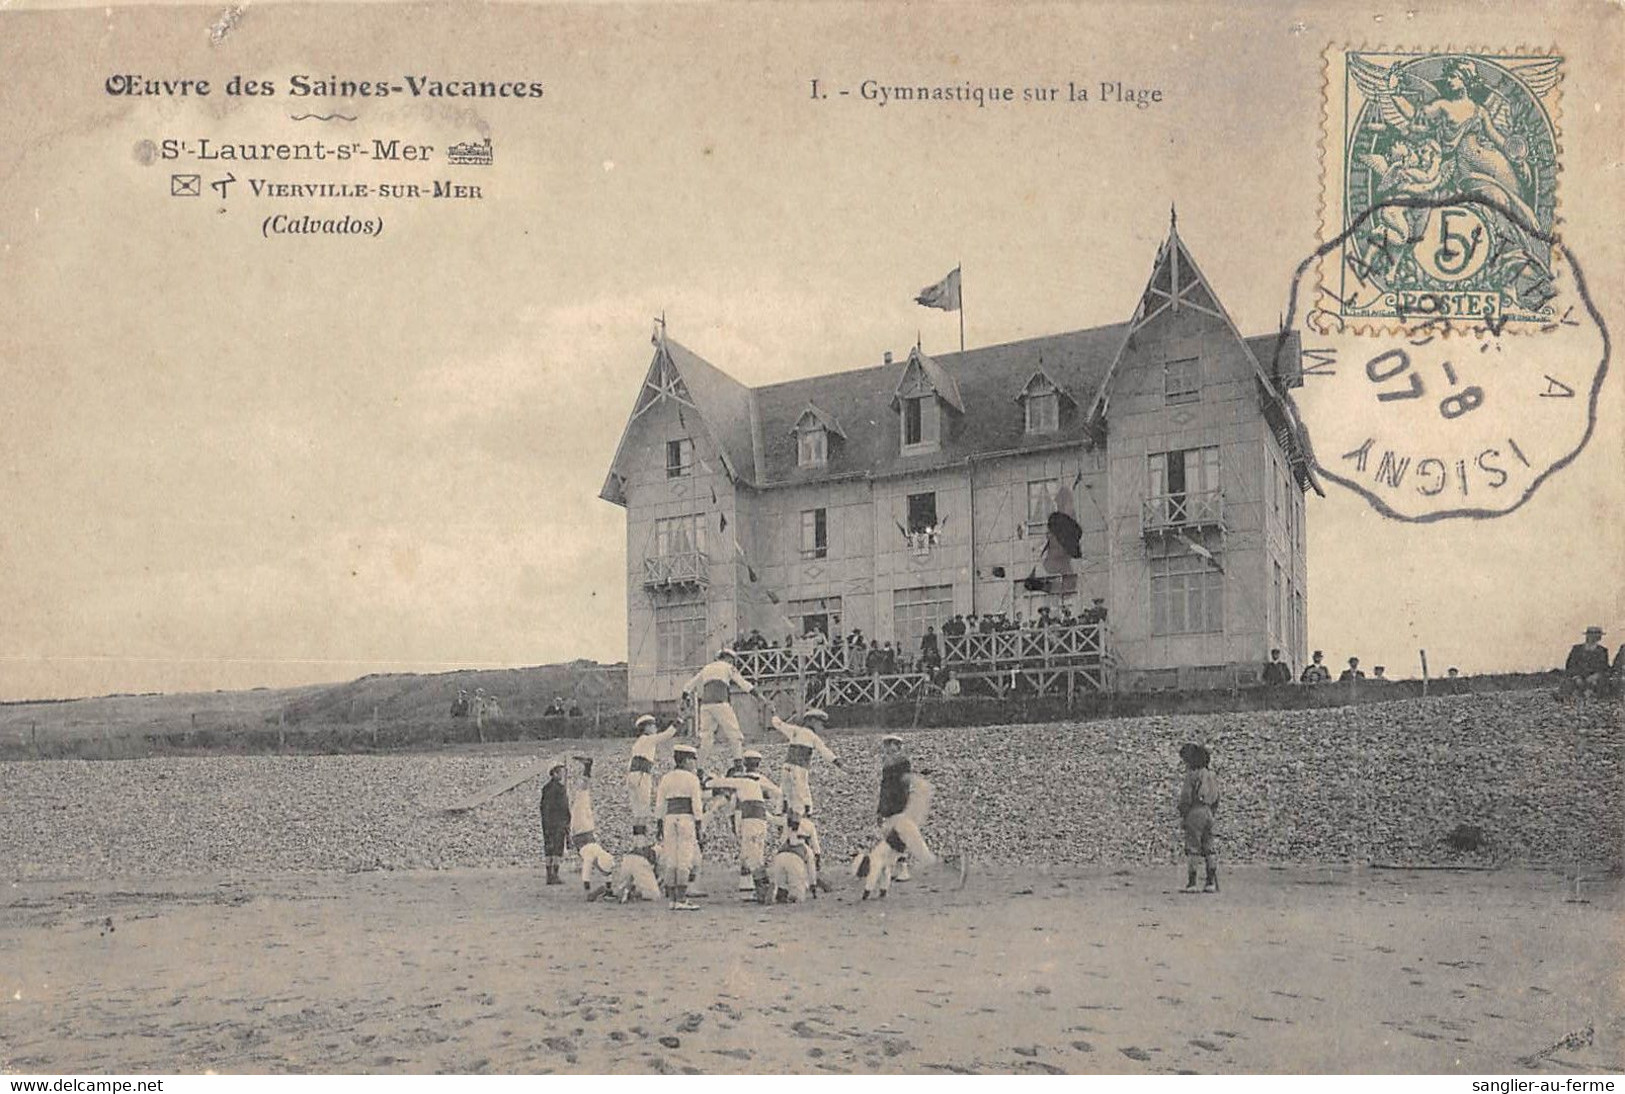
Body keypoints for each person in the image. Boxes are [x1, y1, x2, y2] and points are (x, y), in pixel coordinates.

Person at [857, 734, 966, 900]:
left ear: (897, 746)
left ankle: (952, 864)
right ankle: (897, 875)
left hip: (899, 813)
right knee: (894, 848)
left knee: (914, 853)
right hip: (893, 813)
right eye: (886, 744)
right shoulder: (889, 765)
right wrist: (880, 811)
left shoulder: (901, 763)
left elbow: (899, 788)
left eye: (890, 744)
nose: (886, 747)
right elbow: (885, 791)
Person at [682, 648, 755, 770]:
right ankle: (738, 764)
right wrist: (759, 696)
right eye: (732, 660)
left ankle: (699, 769)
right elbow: (744, 684)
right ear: (728, 658)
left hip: (705, 706)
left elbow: (688, 686)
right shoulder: (727, 667)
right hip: (720, 703)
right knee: (734, 734)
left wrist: (684, 699)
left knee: (706, 738)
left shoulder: (707, 668)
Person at [655, 743, 706, 910]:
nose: (694, 764)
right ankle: (681, 898)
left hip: (669, 818)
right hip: (686, 818)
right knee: (684, 857)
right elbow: (696, 804)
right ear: (684, 761)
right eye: (692, 760)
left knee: (672, 857)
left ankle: (672, 897)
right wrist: (699, 825)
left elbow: (660, 803)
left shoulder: (666, 777)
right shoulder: (692, 778)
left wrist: (659, 823)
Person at [769, 709, 844, 818]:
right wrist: (839, 764)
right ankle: (804, 815)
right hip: (800, 768)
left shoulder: (794, 730)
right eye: (820, 723)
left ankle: (781, 814)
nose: (821, 727)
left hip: (787, 766)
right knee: (802, 792)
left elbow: (778, 723)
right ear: (812, 721)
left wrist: (774, 712)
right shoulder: (812, 736)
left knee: (785, 792)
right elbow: (825, 751)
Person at [1178, 743, 1221, 893]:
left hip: (1195, 811)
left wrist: (1183, 814)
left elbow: (1186, 797)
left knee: (1193, 848)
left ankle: (1192, 883)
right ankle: (1210, 882)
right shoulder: (1211, 775)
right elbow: (1217, 798)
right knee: (1209, 848)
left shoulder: (1192, 775)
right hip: (1209, 811)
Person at [569, 756, 615, 899]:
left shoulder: (603, 856)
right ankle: (587, 768)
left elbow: (608, 874)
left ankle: (587, 769)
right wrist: (588, 892)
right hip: (581, 830)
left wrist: (608, 890)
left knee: (583, 797)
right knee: (581, 796)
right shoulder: (594, 856)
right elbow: (586, 873)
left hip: (588, 829)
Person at [626, 714, 677, 841]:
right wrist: (678, 721)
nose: (655, 728)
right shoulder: (647, 739)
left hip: (633, 775)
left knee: (637, 812)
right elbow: (667, 735)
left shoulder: (639, 742)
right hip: (642, 775)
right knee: (643, 810)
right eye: (653, 726)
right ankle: (641, 841)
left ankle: (637, 841)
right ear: (646, 727)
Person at [538, 762, 571, 885]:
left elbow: (542, 806)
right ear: (555, 773)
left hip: (547, 823)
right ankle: (555, 875)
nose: (562, 775)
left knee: (548, 848)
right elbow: (564, 807)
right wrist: (567, 821)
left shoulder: (545, 788)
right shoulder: (560, 789)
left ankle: (548, 875)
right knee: (558, 849)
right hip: (558, 822)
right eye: (560, 772)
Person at [1562, 626, 1613, 698]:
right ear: (1587, 636)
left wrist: (1596, 675)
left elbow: (1604, 667)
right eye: (1592, 634)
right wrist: (1576, 677)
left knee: (1603, 685)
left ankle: (1591, 694)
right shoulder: (1577, 649)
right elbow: (1570, 665)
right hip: (1578, 676)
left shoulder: (1602, 651)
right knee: (1567, 686)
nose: (1595, 637)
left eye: (1598, 635)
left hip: (1594, 678)